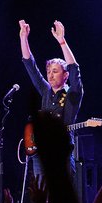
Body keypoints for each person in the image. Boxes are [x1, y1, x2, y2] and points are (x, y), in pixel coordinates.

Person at [18, 19, 83, 175]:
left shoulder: (72, 94)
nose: (50, 75)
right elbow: (31, 66)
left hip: (62, 153)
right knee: (40, 194)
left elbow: (75, 71)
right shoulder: (46, 91)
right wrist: (23, 38)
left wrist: (62, 41)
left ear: (65, 75)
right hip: (41, 153)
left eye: (55, 71)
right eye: (49, 72)